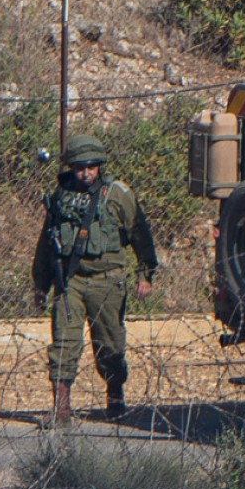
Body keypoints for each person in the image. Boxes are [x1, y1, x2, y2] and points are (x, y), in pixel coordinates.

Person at [32, 134, 160, 424]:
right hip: (70, 281)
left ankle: (115, 395)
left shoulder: (117, 195)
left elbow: (140, 233)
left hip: (107, 280)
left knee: (109, 346)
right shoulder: (60, 197)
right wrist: (41, 284)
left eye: (92, 167)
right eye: (80, 167)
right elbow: (46, 243)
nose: (86, 173)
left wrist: (145, 274)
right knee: (64, 343)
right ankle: (61, 409)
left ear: (100, 166)